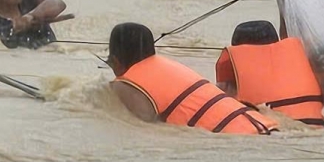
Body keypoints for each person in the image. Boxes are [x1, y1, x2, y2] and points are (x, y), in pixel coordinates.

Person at [108, 23, 278, 135]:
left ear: (115, 61)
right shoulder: (171, 67)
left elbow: (144, 127)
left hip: (235, 137)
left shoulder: (126, 86)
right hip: (264, 124)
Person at [215, 20, 324, 127]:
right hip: (318, 125)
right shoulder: (300, 53)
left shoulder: (231, 61)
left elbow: (222, 101)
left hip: (273, 129)